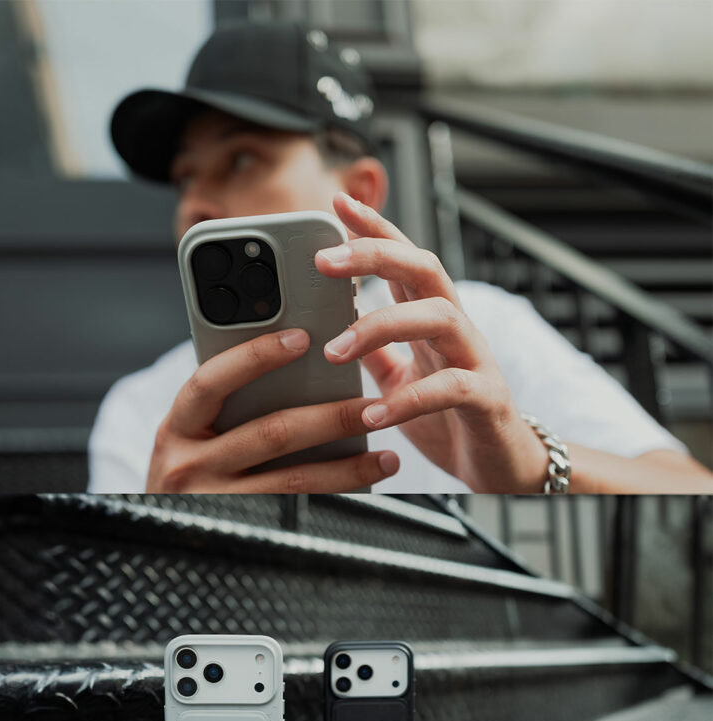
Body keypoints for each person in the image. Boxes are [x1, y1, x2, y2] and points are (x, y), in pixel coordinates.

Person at [89, 20, 712, 494]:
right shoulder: (143, 408)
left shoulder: (479, 327)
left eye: (243, 159)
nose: (194, 202)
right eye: (183, 178)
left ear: (358, 193)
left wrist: (529, 462)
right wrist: (161, 522)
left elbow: (690, 486)